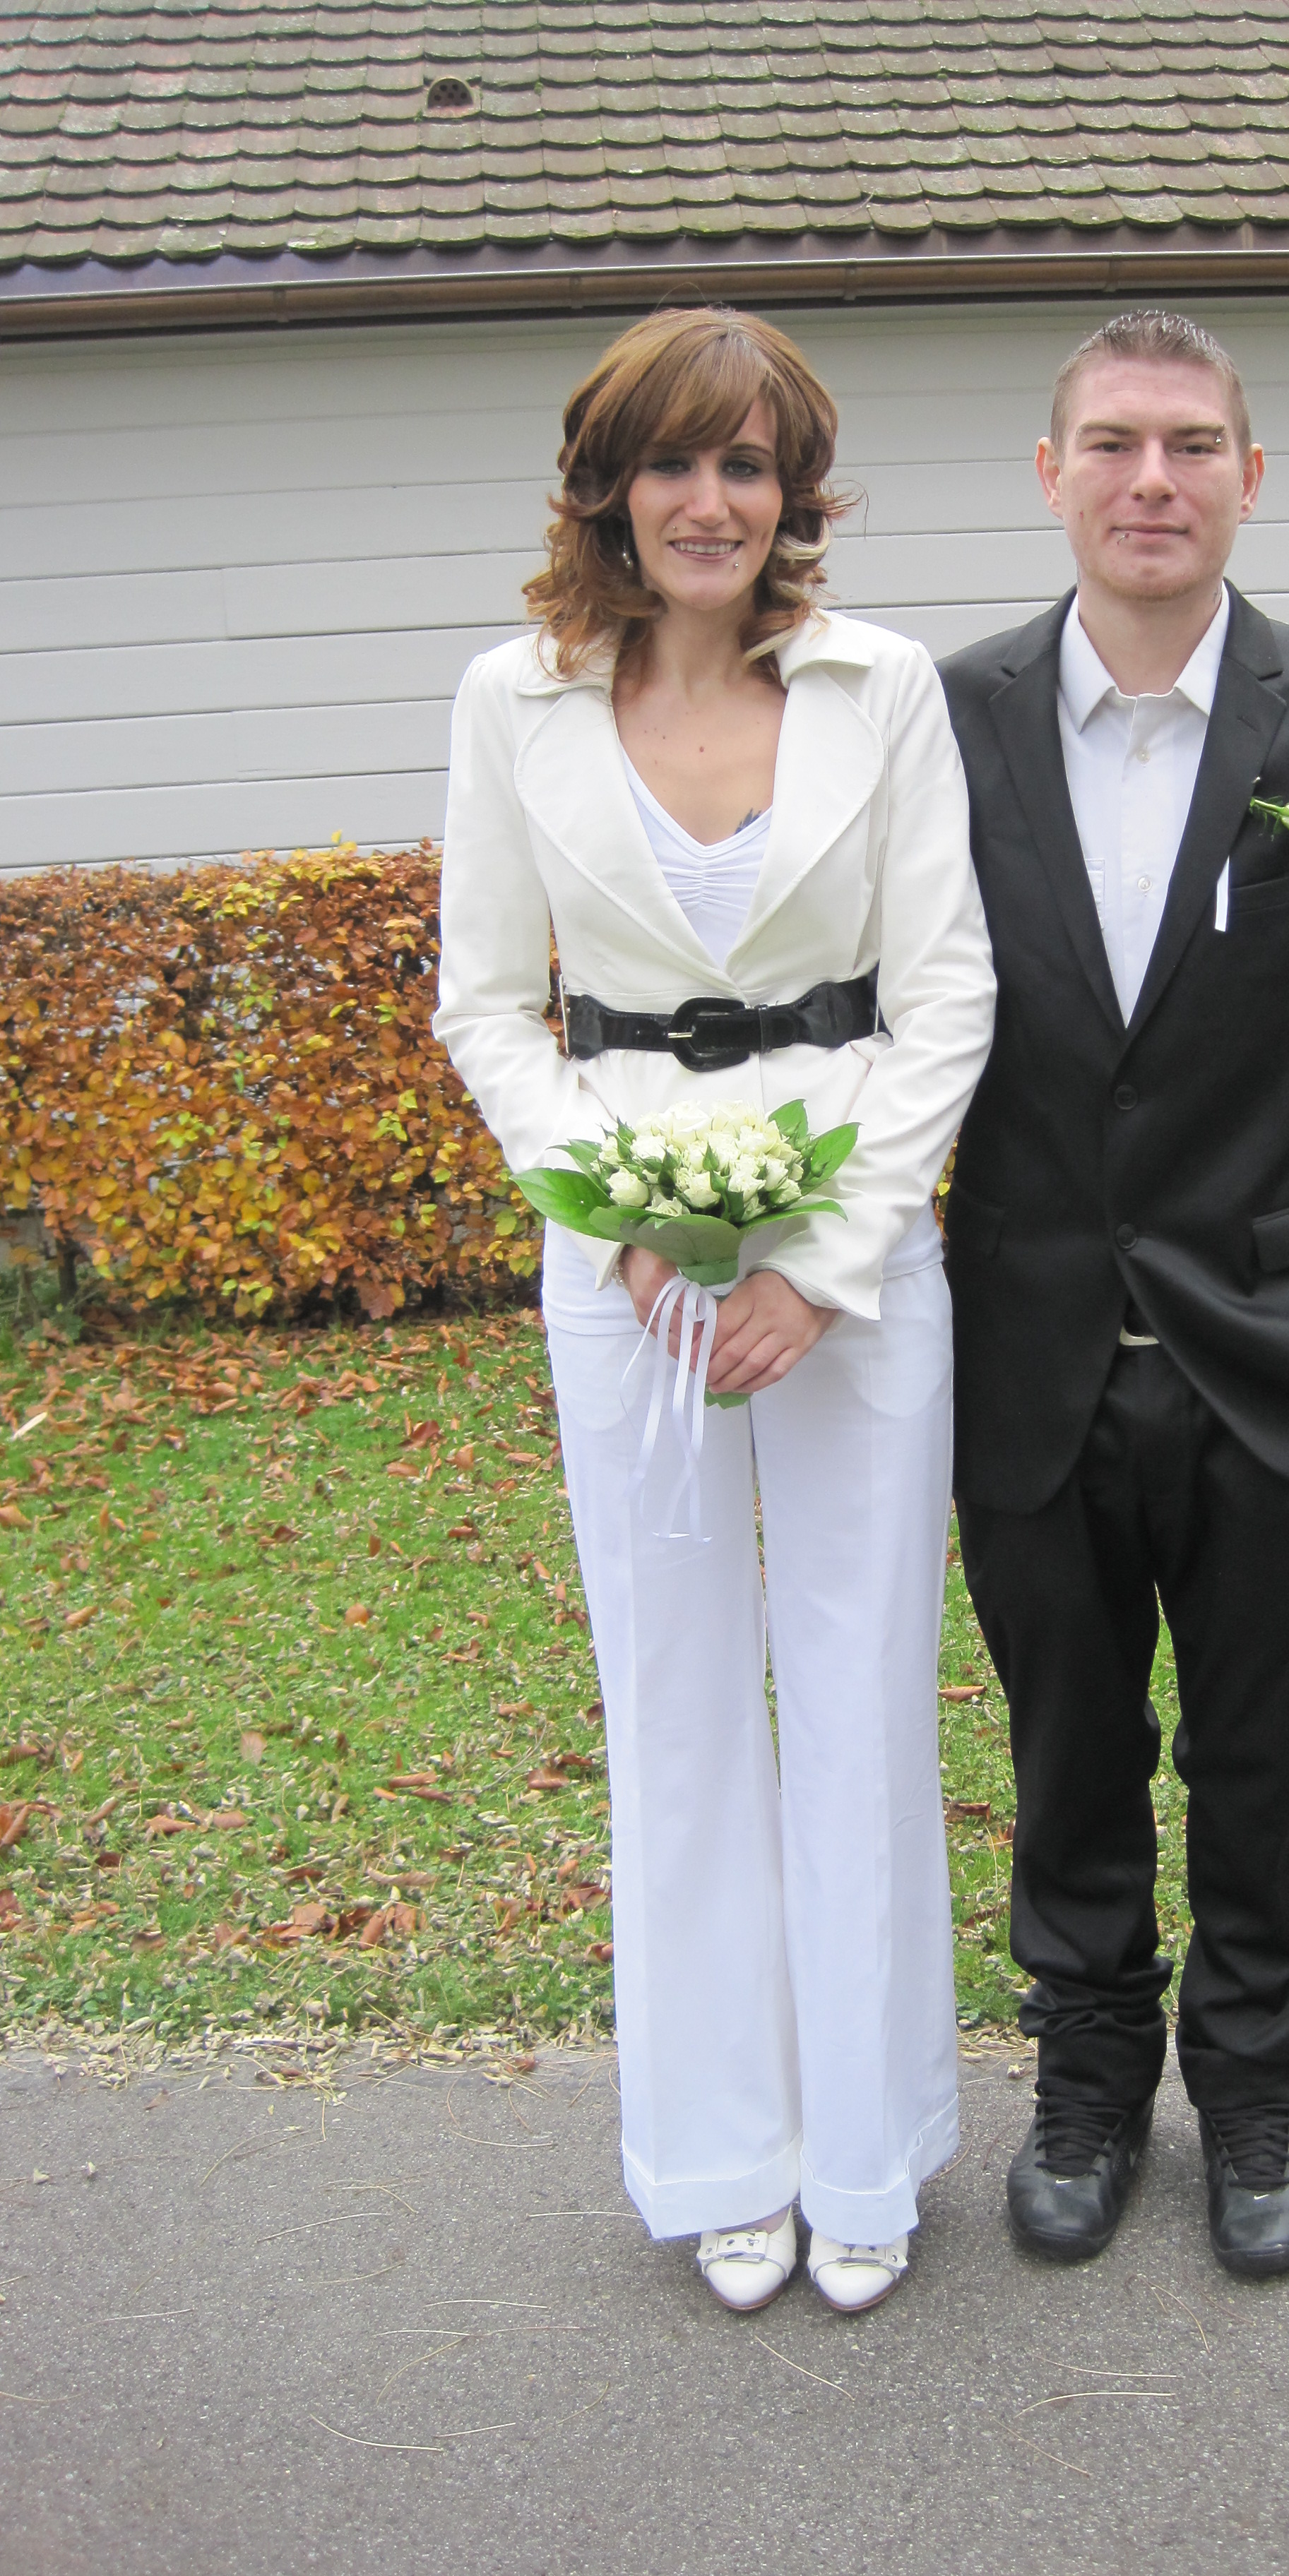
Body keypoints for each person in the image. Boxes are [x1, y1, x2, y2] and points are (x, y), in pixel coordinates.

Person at [434, 308, 996, 2316]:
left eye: (746, 465)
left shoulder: (883, 688)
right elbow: (488, 1005)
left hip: (853, 1262)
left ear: (793, 496)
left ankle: (864, 2152)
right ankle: (721, 2155)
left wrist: (827, 1269)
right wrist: (624, 1231)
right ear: (607, 486)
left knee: (859, 1691)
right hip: (630, 1274)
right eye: (673, 461)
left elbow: (946, 994)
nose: (708, 501)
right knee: (675, 1706)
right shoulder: (512, 701)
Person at [938, 310, 1289, 2279]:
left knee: (1265, 1762)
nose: (1150, 480)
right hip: (1029, 1358)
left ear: (1252, 473)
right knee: (1065, 1753)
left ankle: (1253, 2087)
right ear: (1050, 472)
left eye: (1189, 444)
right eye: (1111, 442)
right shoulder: (941, 721)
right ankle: (1087, 2077)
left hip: (1285, 1363)